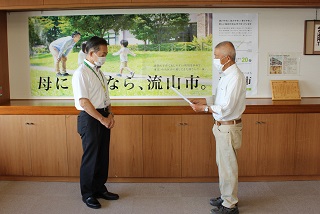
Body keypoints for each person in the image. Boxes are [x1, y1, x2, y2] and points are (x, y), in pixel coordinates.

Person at [190, 41, 246, 214]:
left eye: (216, 56)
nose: (214, 59)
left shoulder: (235, 76)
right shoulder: (226, 74)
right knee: (223, 164)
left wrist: (204, 109)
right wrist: (205, 101)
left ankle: (230, 205)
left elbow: (227, 107)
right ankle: (226, 196)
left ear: (227, 58)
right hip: (221, 127)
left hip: (228, 127)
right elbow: (220, 97)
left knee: (228, 166)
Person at [72, 36, 119, 209]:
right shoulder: (81, 73)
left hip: (103, 116)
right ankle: (88, 194)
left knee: (102, 155)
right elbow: (84, 101)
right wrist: (102, 119)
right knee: (91, 157)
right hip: (90, 118)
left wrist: (110, 113)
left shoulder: (98, 71)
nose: (105, 57)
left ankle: (99, 188)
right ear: (91, 53)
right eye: (103, 53)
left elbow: (104, 95)